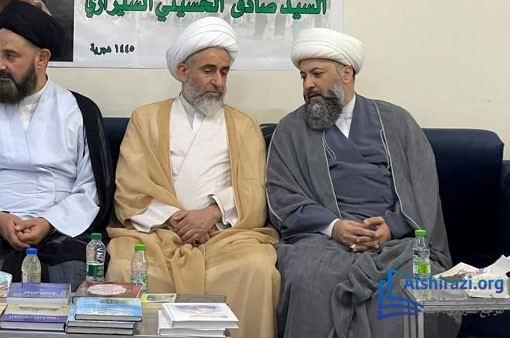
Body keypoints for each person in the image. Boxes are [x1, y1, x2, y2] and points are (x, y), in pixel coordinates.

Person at [266, 27, 458, 337]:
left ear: (346, 73)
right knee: (308, 278)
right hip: (322, 241)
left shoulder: (397, 122)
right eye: (303, 76)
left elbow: (423, 189)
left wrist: (391, 227)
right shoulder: (291, 130)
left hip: (397, 244)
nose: (308, 84)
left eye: (317, 74)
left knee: (409, 287)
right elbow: (281, 196)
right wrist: (334, 227)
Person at [106, 17, 280, 338]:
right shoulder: (146, 118)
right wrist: (177, 219)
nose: (218, 81)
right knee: (123, 265)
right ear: (183, 71)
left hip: (224, 235)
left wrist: (212, 213)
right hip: (158, 233)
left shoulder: (243, 124)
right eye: (209, 70)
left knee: (258, 266)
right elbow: (130, 188)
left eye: (224, 72)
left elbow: (255, 189)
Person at [0, 1, 113, 288]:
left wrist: (49, 222)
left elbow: (91, 188)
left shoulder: (79, 111)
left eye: (10, 56)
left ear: (41, 59)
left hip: (62, 225)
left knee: (72, 269)